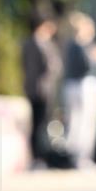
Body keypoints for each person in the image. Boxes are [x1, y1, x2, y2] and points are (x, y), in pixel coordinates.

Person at [62, 12, 96, 169]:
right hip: (84, 85)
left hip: (73, 86)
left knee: (77, 121)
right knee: (85, 122)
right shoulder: (81, 45)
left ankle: (77, 157)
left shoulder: (72, 45)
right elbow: (87, 66)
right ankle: (82, 158)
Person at [21, 9, 63, 168]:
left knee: (38, 124)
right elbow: (52, 66)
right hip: (42, 89)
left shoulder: (28, 43)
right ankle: (38, 158)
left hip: (34, 87)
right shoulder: (41, 43)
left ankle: (37, 158)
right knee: (40, 124)